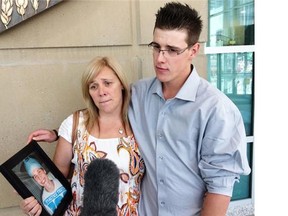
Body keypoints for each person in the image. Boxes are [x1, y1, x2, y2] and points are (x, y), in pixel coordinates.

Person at [24, 2, 251, 216]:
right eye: (156, 47)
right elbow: (103, 106)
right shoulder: (138, 94)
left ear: (193, 50)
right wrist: (58, 133)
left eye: (172, 50)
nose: (160, 58)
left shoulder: (217, 110)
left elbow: (220, 188)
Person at [20, 56, 145, 216]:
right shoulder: (76, 123)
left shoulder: (141, 124)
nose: (102, 92)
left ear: (121, 84)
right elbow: (56, 179)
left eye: (108, 83)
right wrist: (30, 195)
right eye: (94, 86)